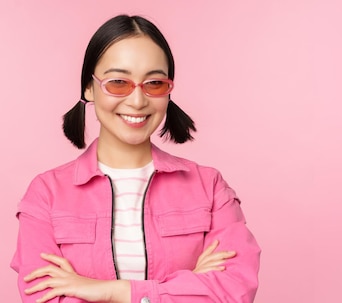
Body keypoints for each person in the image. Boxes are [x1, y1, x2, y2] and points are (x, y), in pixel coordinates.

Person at [10, 14, 261, 303]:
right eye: (118, 82)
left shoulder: (210, 186)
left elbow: (232, 291)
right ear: (89, 88)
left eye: (154, 83)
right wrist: (188, 284)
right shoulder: (46, 194)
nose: (138, 100)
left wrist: (109, 291)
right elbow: (43, 298)